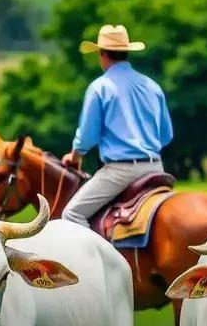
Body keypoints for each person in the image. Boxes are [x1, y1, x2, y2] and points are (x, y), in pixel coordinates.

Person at [61, 24, 173, 228]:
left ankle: (96, 260)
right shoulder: (152, 86)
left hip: (120, 171)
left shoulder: (99, 87)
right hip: (156, 167)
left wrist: (75, 156)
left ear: (102, 54)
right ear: (126, 53)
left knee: (72, 214)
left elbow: (87, 136)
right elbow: (166, 136)